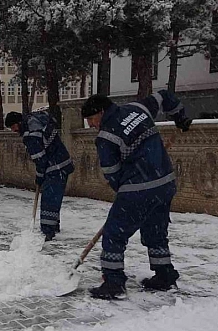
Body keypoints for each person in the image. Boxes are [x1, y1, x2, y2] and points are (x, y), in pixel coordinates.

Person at [81, 90, 192, 300]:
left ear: (101, 112)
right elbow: (164, 96)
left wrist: (125, 193)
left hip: (137, 189)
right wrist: (180, 117)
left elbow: (112, 174)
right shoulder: (138, 109)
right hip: (165, 183)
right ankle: (164, 275)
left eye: (91, 119)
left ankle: (113, 283)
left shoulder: (106, 136)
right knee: (155, 231)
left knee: (114, 233)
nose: (91, 125)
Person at [5, 110, 74, 241]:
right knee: (54, 198)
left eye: (13, 127)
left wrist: (39, 176)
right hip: (63, 162)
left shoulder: (31, 135)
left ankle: (48, 232)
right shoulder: (36, 122)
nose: (13, 130)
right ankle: (53, 227)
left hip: (54, 167)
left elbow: (40, 159)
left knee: (49, 199)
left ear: (18, 123)